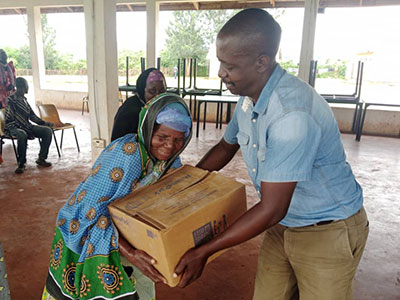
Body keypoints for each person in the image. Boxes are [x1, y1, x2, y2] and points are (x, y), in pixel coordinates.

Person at [174, 8, 369, 300]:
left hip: (327, 231)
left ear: (261, 63)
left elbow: (272, 207)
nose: (221, 73)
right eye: (219, 62)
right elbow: (226, 146)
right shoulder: (247, 100)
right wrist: (186, 183)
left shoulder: (291, 115)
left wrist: (204, 251)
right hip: (283, 224)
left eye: (229, 66)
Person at [42, 93, 192, 300]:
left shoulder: (169, 162)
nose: (170, 146)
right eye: (162, 138)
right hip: (84, 232)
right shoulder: (129, 155)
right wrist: (130, 253)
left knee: (141, 281)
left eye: (178, 140)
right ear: (148, 130)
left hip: (126, 235)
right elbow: (91, 215)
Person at [5, 77, 53, 174]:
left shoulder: (24, 100)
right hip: (13, 128)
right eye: (27, 86)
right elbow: (9, 118)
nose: (28, 88)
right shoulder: (11, 100)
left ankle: (41, 158)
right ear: (22, 87)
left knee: (47, 131)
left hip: (27, 126)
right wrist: (20, 126)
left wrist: (45, 123)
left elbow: (32, 116)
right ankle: (21, 163)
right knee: (22, 134)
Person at [111, 68, 167, 141]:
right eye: (152, 91)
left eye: (162, 91)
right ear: (142, 90)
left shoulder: (163, 107)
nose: (158, 96)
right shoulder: (130, 112)